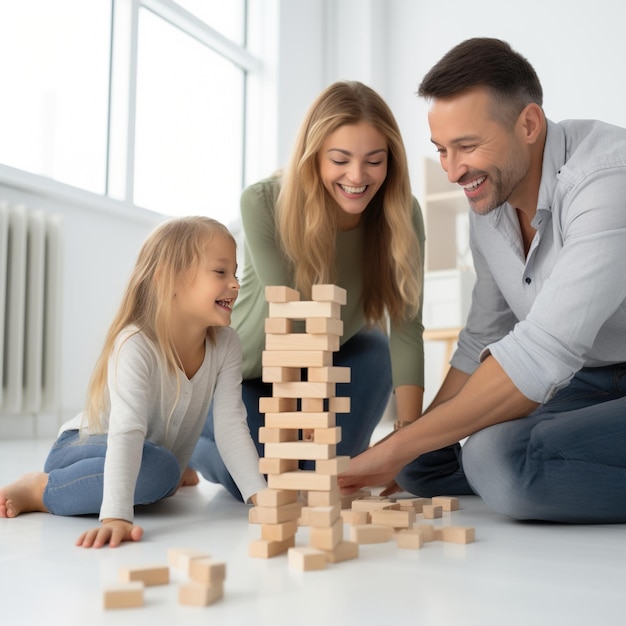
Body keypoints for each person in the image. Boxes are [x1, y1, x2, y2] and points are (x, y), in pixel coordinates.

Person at [338, 38, 626, 524]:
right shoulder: (491, 201)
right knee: (422, 465)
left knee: (497, 458)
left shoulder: (606, 178)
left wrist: (391, 450)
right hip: (589, 379)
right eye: (442, 151)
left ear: (529, 124)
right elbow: (482, 340)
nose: (453, 171)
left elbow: (541, 352)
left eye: (467, 147)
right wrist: (403, 447)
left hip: (575, 368)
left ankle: (522, 475)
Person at [190, 81, 425, 495]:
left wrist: (404, 446)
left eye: (374, 161)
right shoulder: (262, 202)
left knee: (337, 473)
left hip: (332, 359)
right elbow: (293, 322)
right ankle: (188, 449)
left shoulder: (403, 214)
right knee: (262, 477)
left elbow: (406, 328)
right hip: (243, 373)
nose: (357, 177)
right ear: (313, 156)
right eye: (340, 160)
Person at [0, 216, 266, 547]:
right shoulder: (136, 343)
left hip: (148, 453)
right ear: (170, 279)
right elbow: (126, 432)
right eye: (221, 272)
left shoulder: (226, 344)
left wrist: (260, 496)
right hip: (80, 450)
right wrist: (116, 515)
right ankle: (39, 489)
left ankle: (166, 470)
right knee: (162, 473)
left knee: (165, 472)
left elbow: (229, 425)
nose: (236, 284)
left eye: (236, 272)